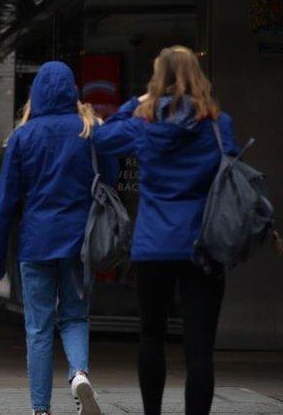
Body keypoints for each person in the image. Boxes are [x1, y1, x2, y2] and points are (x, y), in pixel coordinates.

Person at [93, 46, 238, 415]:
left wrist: (136, 101)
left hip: (153, 247)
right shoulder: (218, 125)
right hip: (202, 245)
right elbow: (232, 167)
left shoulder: (144, 123)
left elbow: (102, 137)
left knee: (151, 336)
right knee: (200, 347)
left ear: (158, 79)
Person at [0, 61, 111, 415]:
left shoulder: (24, 136)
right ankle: (80, 375)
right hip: (79, 242)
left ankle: (40, 409)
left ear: (36, 93)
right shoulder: (89, 130)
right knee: (74, 316)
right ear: (73, 90)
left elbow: (5, 203)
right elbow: (111, 174)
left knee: (38, 328)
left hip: (36, 242)